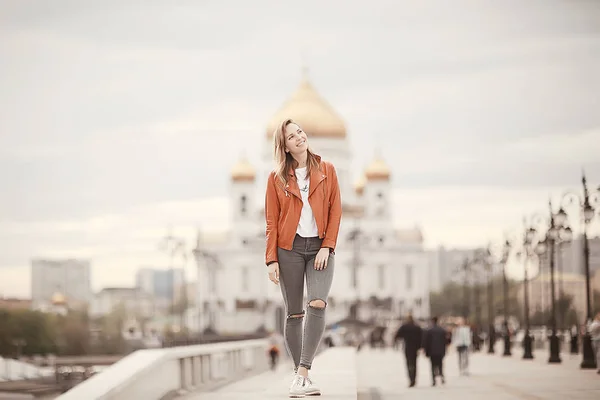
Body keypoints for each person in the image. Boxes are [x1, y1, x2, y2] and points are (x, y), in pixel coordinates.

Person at [265, 118, 342, 398]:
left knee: (318, 302)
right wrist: (271, 259)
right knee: (295, 312)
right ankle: (301, 379)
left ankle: (302, 373)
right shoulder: (277, 179)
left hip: (320, 247)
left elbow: (335, 212)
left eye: (300, 132)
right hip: (289, 250)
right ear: (284, 146)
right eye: (291, 136)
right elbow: (272, 222)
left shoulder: (327, 170)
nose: (299, 137)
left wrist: (327, 246)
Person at [394, 315, 423, 387]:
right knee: (414, 363)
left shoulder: (404, 327)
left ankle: (411, 379)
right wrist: (421, 347)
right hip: (415, 348)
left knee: (409, 363)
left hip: (408, 347)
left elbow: (397, 336)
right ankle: (414, 378)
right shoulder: (417, 327)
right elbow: (422, 337)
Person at [424, 317, 448, 386]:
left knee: (432, 365)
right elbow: (445, 341)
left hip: (432, 351)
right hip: (440, 351)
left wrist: (426, 351)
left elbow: (426, 342)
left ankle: (434, 380)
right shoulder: (442, 330)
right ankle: (441, 376)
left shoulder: (429, 330)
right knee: (440, 364)